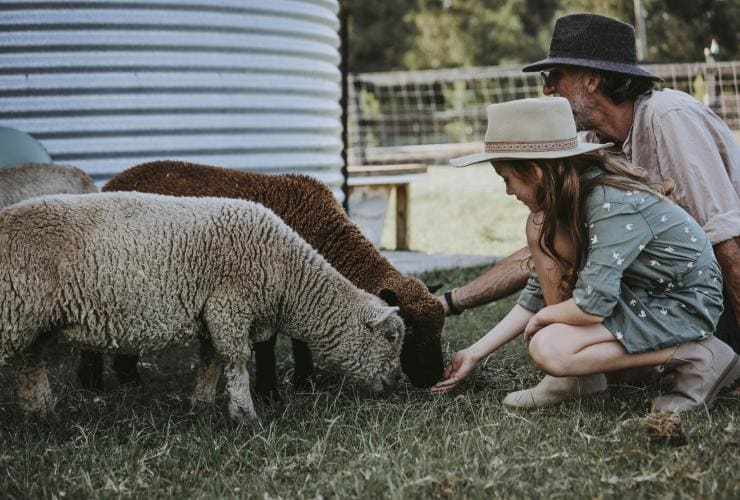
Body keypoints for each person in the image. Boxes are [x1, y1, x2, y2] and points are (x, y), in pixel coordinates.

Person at [439, 14, 740, 386]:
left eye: (553, 77)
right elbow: (547, 248)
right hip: (663, 288)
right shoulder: (596, 146)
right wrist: (452, 302)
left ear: (591, 79)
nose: (548, 90)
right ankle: (599, 374)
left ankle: (707, 354)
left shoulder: (667, 117)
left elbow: (727, 240)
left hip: (708, 292)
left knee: (589, 351)